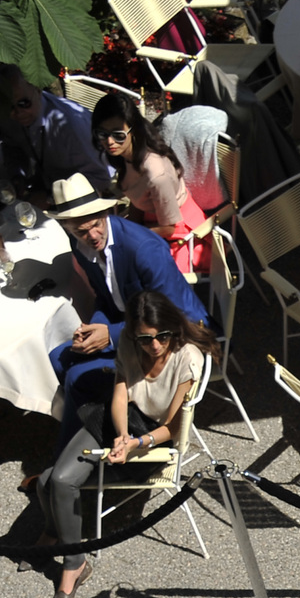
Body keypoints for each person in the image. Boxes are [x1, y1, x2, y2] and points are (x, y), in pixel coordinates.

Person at [30, 289, 210, 598]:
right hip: (123, 423)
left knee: (57, 480)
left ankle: (73, 563)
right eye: (145, 339)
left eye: (162, 337)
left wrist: (135, 442)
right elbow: (119, 392)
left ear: (172, 328)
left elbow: (173, 427)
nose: (154, 346)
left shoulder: (187, 357)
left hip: (153, 439)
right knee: (48, 481)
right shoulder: (128, 341)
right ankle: (54, 532)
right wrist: (121, 434)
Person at [44, 173, 209, 446]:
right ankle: (106, 424)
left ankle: (80, 449)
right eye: (81, 231)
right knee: (57, 358)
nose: (92, 236)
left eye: (96, 226)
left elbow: (175, 317)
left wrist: (109, 335)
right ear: (67, 227)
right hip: (133, 327)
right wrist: (94, 326)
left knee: (76, 377)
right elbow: (105, 297)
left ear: (107, 211)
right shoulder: (81, 247)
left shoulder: (143, 249)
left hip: (173, 337)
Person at [91, 94, 207, 276]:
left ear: (133, 130)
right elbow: (139, 203)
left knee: (124, 268)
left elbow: (171, 228)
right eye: (102, 134)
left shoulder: (156, 174)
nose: (110, 142)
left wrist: (127, 235)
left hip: (181, 236)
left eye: (118, 135)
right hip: (152, 220)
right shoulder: (127, 157)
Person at [0, 65, 107, 197]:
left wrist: (50, 198)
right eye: (9, 106)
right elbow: (12, 146)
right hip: (43, 174)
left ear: (37, 90)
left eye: (24, 103)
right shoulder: (9, 114)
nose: (18, 113)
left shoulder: (71, 127)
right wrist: (17, 175)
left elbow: (101, 178)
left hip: (74, 185)